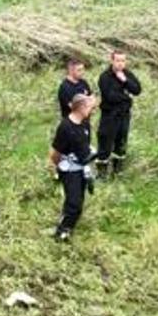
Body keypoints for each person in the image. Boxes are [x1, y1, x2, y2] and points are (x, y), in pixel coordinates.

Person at [49, 94, 99, 242]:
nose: (92, 111)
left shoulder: (85, 123)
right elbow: (56, 152)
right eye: (90, 108)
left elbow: (85, 144)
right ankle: (62, 232)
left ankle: (68, 226)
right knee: (74, 203)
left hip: (82, 167)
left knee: (79, 201)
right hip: (69, 170)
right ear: (81, 107)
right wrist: (55, 167)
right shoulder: (65, 127)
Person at [94, 50, 142, 178]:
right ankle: (101, 174)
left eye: (123, 61)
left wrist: (125, 81)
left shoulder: (127, 74)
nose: (120, 63)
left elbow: (137, 90)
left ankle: (117, 171)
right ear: (112, 61)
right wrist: (127, 97)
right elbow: (110, 97)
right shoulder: (105, 77)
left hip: (124, 115)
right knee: (105, 143)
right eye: (118, 60)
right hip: (109, 115)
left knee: (121, 143)